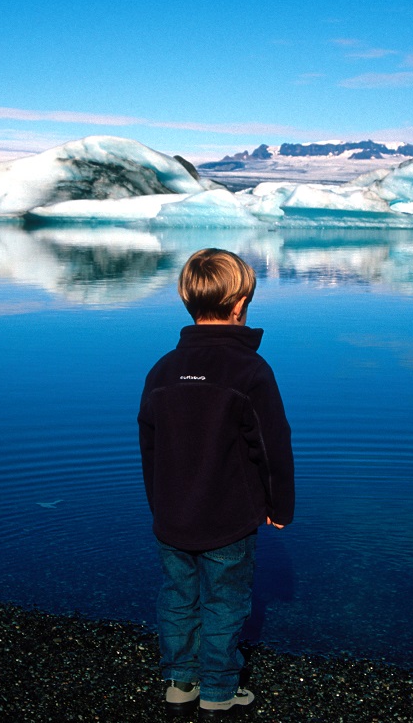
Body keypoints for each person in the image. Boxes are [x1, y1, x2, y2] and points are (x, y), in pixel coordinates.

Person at [138, 248, 295, 719]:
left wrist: (159, 504)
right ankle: (220, 690)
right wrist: (279, 506)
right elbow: (271, 444)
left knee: (178, 596)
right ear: (241, 302)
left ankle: (180, 682)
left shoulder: (162, 370)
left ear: (188, 300)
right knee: (225, 602)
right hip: (229, 516)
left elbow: (151, 447)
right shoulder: (250, 371)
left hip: (172, 514)